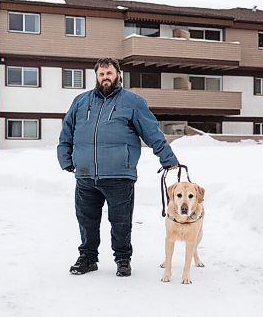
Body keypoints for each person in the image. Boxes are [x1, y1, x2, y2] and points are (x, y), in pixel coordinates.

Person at [57, 57, 179, 277]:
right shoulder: (80, 101)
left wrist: (167, 158)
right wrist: (65, 159)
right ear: (96, 76)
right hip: (85, 174)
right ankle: (88, 257)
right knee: (86, 220)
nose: (105, 77)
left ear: (118, 75)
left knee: (121, 221)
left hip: (119, 175)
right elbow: (67, 131)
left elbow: (152, 132)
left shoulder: (133, 102)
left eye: (109, 73)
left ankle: (123, 259)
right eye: (101, 74)